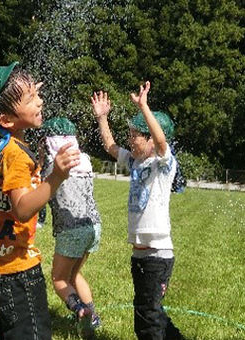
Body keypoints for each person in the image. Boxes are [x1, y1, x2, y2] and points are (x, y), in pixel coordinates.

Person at [0, 62, 80, 339]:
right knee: (31, 333)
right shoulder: (16, 155)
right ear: (7, 119)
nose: (40, 100)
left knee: (10, 329)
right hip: (16, 265)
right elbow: (21, 209)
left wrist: (25, 93)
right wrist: (56, 177)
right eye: (32, 98)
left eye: (37, 94)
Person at [91, 82, 184, 340]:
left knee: (148, 320)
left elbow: (162, 141)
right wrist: (102, 118)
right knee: (149, 310)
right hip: (140, 255)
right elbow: (110, 146)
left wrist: (143, 107)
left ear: (151, 140)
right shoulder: (135, 162)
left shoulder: (162, 164)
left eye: (135, 135)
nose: (130, 139)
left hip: (157, 254)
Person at [39, 117, 102, 339]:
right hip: (93, 226)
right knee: (74, 274)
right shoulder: (83, 158)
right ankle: (93, 318)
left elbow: (41, 191)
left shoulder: (53, 164)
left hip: (71, 230)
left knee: (59, 279)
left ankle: (81, 311)